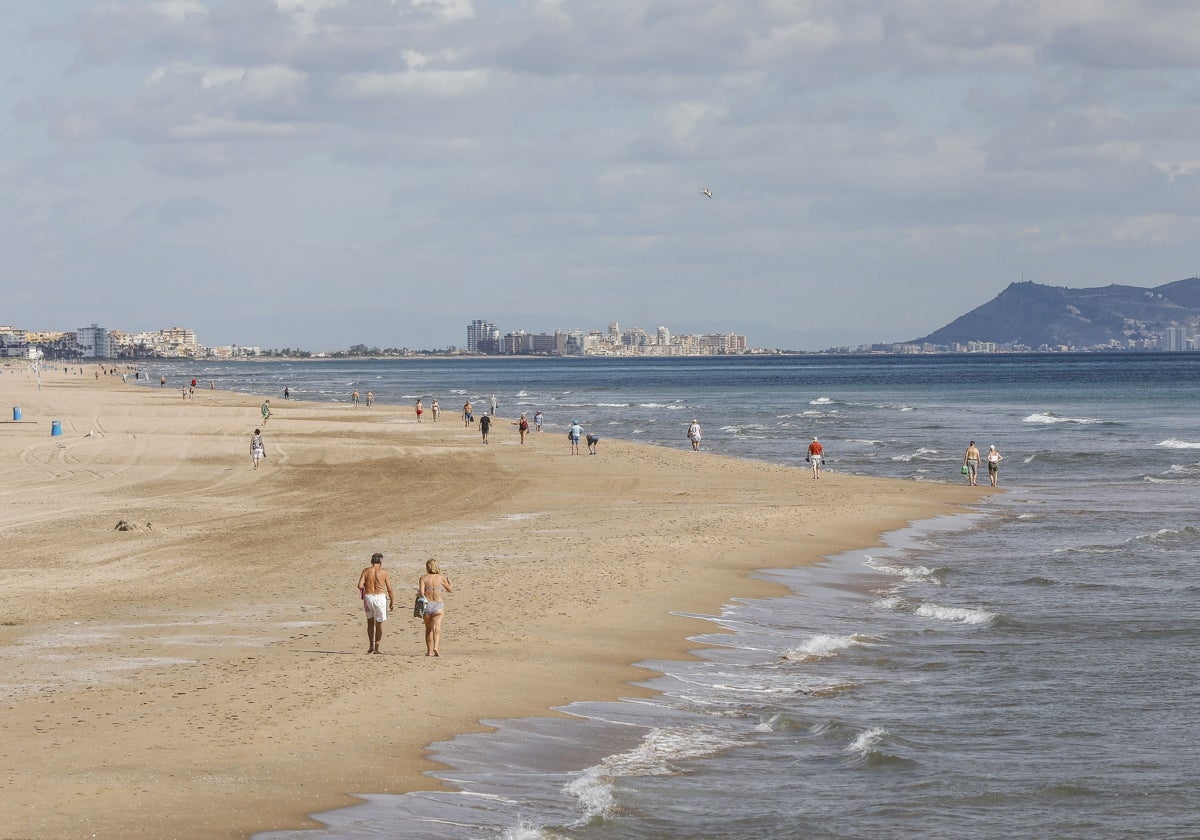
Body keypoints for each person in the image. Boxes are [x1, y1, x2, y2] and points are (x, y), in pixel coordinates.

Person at [357, 553, 395, 655]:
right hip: (380, 597)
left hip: (368, 597)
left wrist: (367, 585)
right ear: (381, 562)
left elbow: (360, 585)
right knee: (379, 623)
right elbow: (390, 589)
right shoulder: (383, 572)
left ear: (371, 561)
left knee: (370, 622)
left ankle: (371, 646)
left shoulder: (366, 571)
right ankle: (377, 647)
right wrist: (392, 601)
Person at [418, 559, 453, 657]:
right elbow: (450, 590)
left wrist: (421, 595)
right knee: (437, 629)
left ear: (427, 567)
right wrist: (450, 583)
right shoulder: (441, 578)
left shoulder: (423, 578)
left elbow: (421, 592)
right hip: (438, 605)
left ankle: (429, 652)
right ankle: (436, 647)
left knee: (428, 629)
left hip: (427, 605)